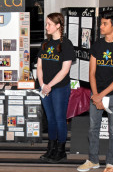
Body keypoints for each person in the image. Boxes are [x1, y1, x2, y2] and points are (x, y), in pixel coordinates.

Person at [77, 11, 113, 172]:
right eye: (100, 23)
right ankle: (93, 160)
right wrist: (96, 96)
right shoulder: (97, 45)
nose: (100, 26)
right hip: (96, 95)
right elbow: (91, 73)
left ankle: (111, 163)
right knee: (93, 128)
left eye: (104, 24)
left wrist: (101, 95)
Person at [37, 12, 75, 163]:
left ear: (58, 25)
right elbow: (39, 66)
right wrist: (42, 85)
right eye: (46, 24)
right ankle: (51, 148)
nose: (46, 27)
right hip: (45, 87)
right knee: (50, 119)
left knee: (60, 119)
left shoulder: (66, 44)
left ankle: (61, 150)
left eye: (49, 24)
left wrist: (49, 86)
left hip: (59, 88)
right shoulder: (45, 44)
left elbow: (65, 70)